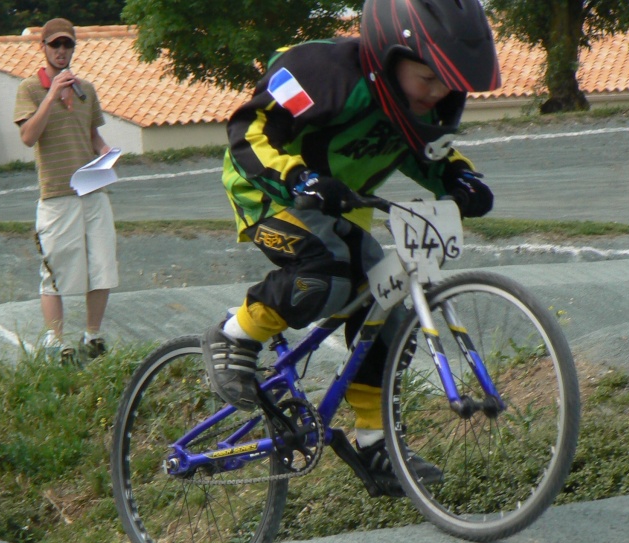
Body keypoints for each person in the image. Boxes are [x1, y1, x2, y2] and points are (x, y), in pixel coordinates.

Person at [203, 0, 501, 494]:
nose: (438, 92)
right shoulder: (322, 74)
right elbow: (245, 131)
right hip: (266, 195)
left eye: (446, 82)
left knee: (387, 307)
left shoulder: (412, 105)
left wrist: (459, 177)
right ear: (389, 56)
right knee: (323, 273)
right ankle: (234, 334)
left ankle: (374, 441)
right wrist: (299, 177)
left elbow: (427, 156)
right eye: (427, 78)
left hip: (338, 211)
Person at [13, 17, 119, 364]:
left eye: (67, 45)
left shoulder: (86, 89)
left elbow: (93, 136)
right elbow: (29, 136)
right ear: (42, 48)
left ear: (74, 48)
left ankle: (93, 335)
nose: (61, 51)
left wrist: (105, 153)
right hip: (57, 191)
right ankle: (56, 340)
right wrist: (52, 94)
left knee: (102, 264)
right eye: (55, 45)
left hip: (92, 188)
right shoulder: (30, 88)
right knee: (56, 271)